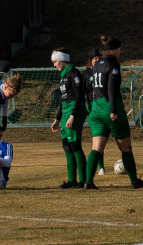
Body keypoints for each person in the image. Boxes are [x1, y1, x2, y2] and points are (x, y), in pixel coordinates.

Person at [85, 36, 143, 189]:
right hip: (110, 108)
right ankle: (134, 181)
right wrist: (114, 110)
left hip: (96, 109)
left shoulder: (96, 65)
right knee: (126, 147)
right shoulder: (113, 64)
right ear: (114, 50)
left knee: (97, 148)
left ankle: (88, 181)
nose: (120, 52)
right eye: (119, 49)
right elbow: (112, 88)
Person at [50, 47, 87, 188]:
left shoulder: (74, 73)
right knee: (66, 146)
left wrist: (73, 116)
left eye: (55, 62)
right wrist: (57, 119)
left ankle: (83, 181)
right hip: (65, 113)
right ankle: (71, 180)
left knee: (75, 145)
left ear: (62, 60)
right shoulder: (63, 76)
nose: (54, 65)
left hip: (73, 112)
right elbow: (63, 100)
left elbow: (79, 97)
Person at [82, 49, 106, 176]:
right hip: (93, 109)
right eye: (95, 58)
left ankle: (127, 162)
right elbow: (82, 93)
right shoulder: (86, 74)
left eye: (99, 58)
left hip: (106, 107)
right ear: (90, 60)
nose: (97, 60)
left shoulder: (106, 70)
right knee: (98, 138)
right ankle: (100, 167)